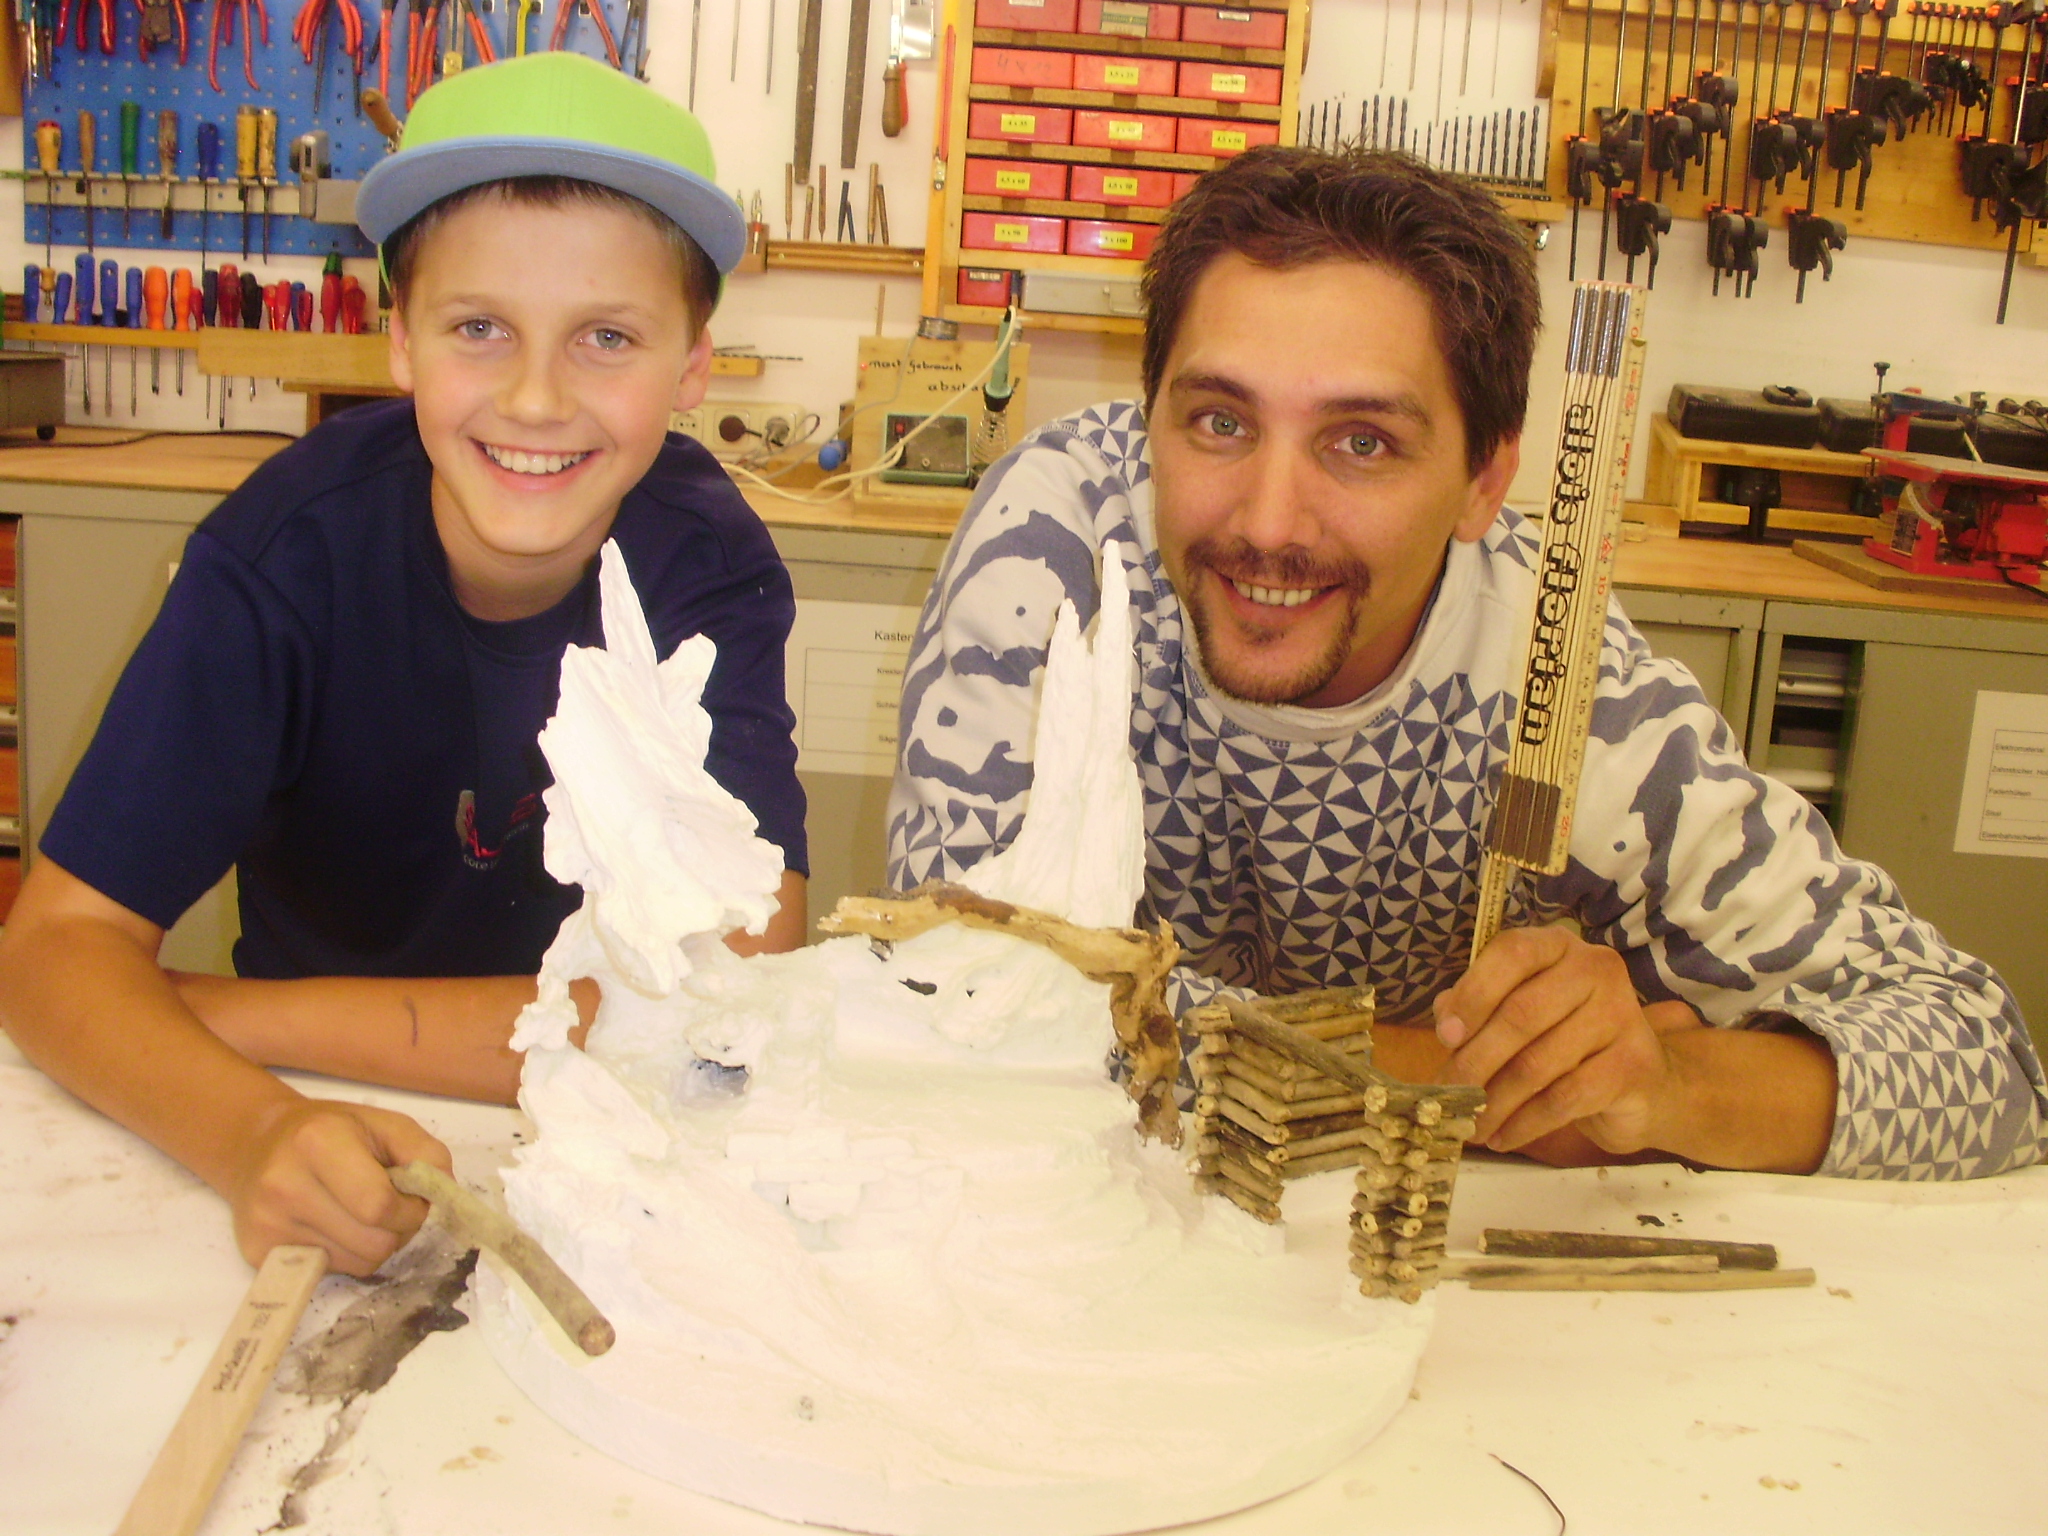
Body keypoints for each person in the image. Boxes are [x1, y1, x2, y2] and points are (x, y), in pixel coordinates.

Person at [889, 147, 2046, 1180]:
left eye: (1361, 442)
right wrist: (1468, 1092)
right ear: (1150, 417)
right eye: (1219, 423)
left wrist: (1662, 1087)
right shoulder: (1062, 546)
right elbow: (951, 987)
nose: (1268, 520)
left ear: (1483, 482)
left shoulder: (1557, 681)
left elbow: (1984, 1069)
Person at [0, 53, 809, 1277]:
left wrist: (211, 1014)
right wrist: (248, 1128)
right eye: (479, 328)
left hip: (601, 1129)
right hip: (304, 1112)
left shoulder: (704, 568)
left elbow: (737, 984)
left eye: (606, 337)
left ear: (691, 367)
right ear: (399, 341)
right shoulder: (284, 556)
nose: (534, 399)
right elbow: (53, 951)